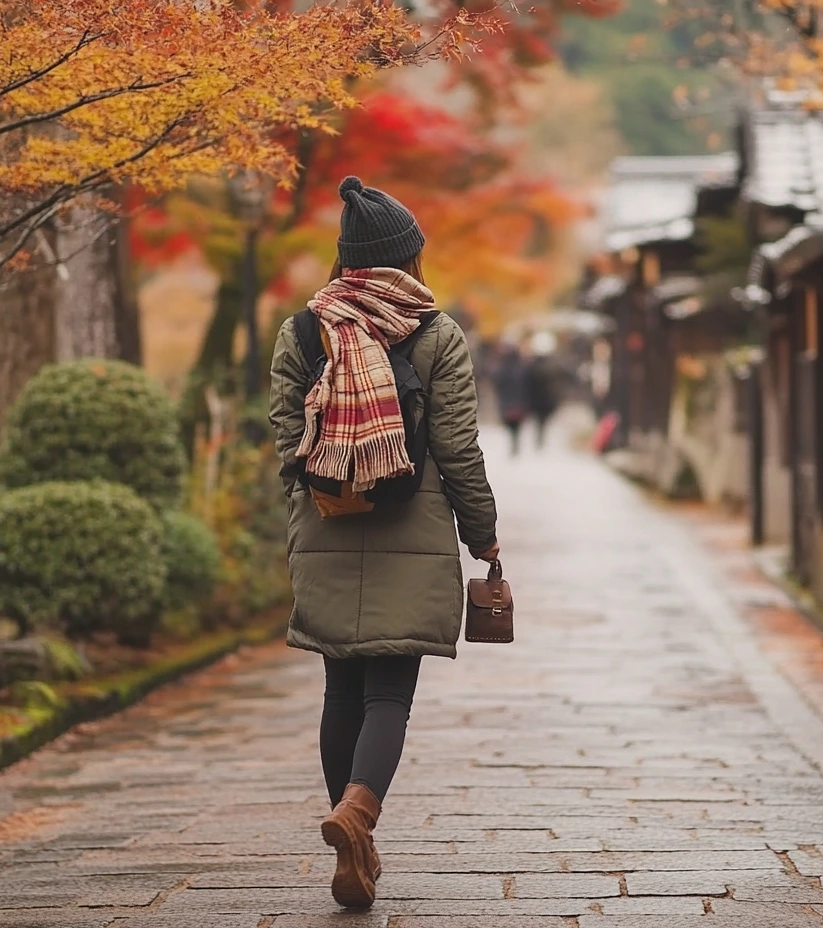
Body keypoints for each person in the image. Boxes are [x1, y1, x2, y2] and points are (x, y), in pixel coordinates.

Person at [268, 176, 500, 910]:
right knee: (389, 692)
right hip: (415, 527)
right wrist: (483, 535)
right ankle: (357, 816)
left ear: (346, 259)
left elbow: (283, 437)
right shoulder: (435, 332)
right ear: (407, 258)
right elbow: (458, 448)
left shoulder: (304, 330)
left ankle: (355, 846)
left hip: (327, 526)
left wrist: (321, 498)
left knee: (342, 688)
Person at [492, 341, 529, 456]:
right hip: (518, 401)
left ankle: (514, 444)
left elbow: (497, 382)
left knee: (510, 424)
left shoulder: (503, 368)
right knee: (516, 426)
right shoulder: (522, 368)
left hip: (507, 401)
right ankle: (515, 443)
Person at [525, 331, 560, 449]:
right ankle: (540, 438)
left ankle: (540, 438)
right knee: (541, 420)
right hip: (543, 398)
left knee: (540, 420)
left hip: (539, 398)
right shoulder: (550, 365)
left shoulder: (533, 364)